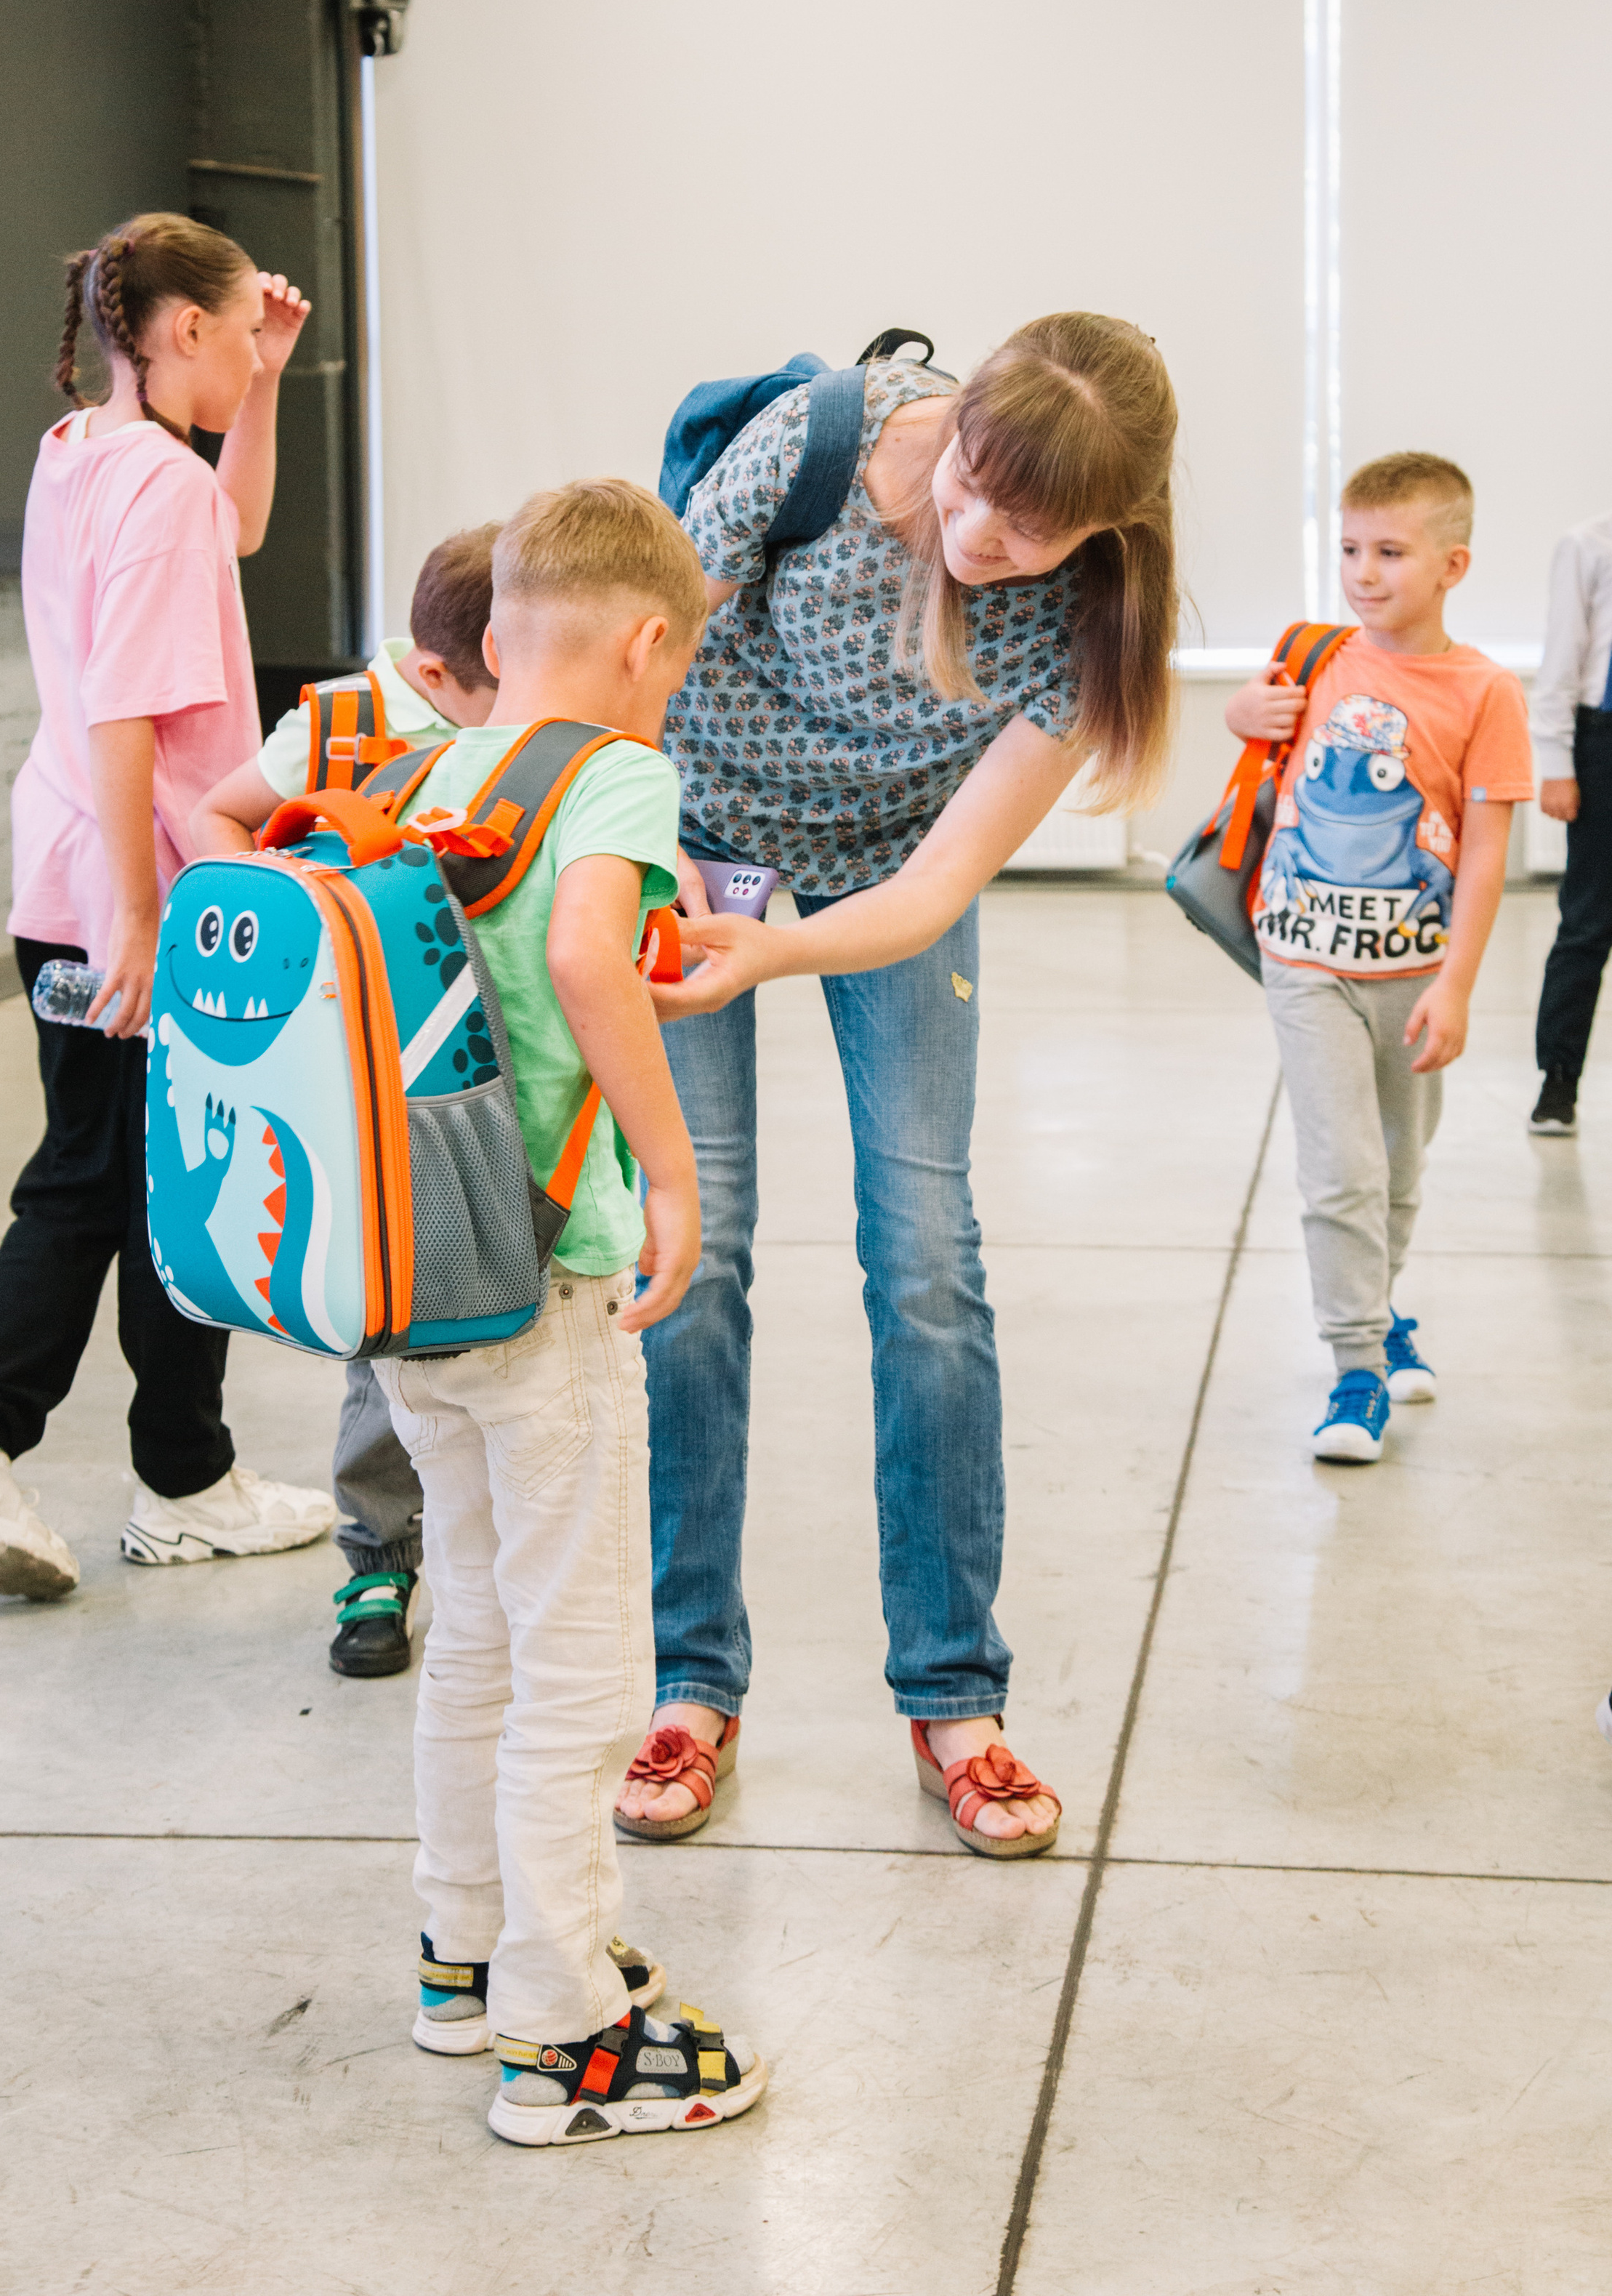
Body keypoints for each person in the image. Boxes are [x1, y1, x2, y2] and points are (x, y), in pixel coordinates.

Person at [614, 312, 1178, 1864]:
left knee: (926, 1260)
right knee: (691, 1248)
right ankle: (687, 1682)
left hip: (883, 873)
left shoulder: (1088, 626)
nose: (983, 534)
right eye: (978, 484)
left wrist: (772, 958)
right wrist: (671, 885)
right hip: (693, 824)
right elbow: (629, 674)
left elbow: (932, 890)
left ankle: (952, 1699)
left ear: (1106, 527)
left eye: (1038, 524)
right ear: (959, 423)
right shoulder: (817, 443)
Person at [380, 478, 765, 2148]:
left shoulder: (424, 770)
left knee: (468, 1625)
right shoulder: (610, 771)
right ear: (645, 639)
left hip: (410, 1286)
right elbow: (595, 961)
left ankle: (459, 1955)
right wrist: (675, 1178)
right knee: (582, 1663)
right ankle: (564, 2030)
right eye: (670, 671)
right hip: (539, 1281)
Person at [0, 213, 336, 1598]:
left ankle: (175, 1468)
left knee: (140, 1174)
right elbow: (121, 709)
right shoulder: (155, 486)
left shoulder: (83, 452)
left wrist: (262, 383)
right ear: (184, 327)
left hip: (65, 871)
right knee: (125, 1176)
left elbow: (236, 524)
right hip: (136, 887)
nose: (260, 352)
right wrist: (143, 918)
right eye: (246, 334)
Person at [192, 522, 501, 1678]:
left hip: (496, 1067)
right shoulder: (335, 725)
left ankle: (495, 1555)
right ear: (436, 674)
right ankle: (378, 1551)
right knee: (388, 1322)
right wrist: (289, 917)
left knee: (512, 1306)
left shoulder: (529, 717)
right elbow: (218, 818)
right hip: (367, 1079)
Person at [1225, 451, 1531, 1463]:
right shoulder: (1316, 658)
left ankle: (1381, 1302)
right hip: (1303, 960)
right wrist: (1241, 716)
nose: (1364, 571)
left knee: (1400, 1167)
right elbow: (1258, 744)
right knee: (1341, 1169)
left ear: (1453, 565)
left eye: (1391, 552)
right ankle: (1357, 1366)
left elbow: (1486, 850)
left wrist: (1458, 985)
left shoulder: (1487, 691)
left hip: (1413, 969)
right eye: (1351, 548)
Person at [1527, 507, 1612, 1135]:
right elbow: (1563, 656)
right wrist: (1556, 760)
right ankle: (1559, 1079)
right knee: (1588, 919)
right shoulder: (1589, 544)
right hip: (1603, 739)